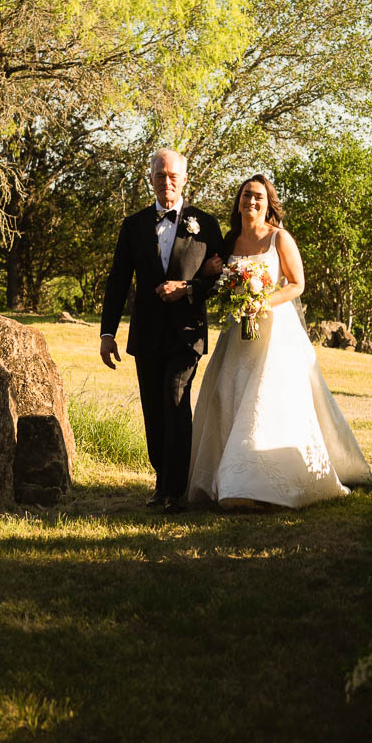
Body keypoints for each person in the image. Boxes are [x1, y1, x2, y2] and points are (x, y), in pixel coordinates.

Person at [186, 175, 372, 509]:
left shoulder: (279, 238)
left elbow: (296, 284)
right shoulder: (229, 241)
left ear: (268, 202)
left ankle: (262, 482)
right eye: (246, 195)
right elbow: (215, 279)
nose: (251, 202)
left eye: (258, 196)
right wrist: (212, 276)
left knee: (265, 400)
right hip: (238, 333)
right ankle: (226, 479)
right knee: (229, 396)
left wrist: (262, 302)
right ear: (238, 201)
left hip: (273, 333)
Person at [100, 148, 226, 511]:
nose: (166, 182)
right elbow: (118, 281)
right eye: (159, 175)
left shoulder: (206, 225)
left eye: (173, 175)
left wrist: (187, 288)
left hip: (187, 334)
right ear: (151, 178)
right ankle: (161, 481)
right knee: (154, 410)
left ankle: (176, 488)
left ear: (185, 178)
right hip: (147, 334)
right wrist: (107, 333)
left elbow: (221, 280)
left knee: (175, 397)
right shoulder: (134, 225)